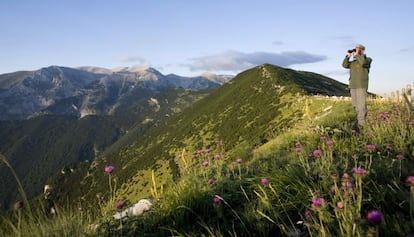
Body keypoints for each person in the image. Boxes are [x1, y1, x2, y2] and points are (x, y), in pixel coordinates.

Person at [342, 44, 372, 128]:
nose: (356, 51)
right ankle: (358, 123)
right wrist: (348, 56)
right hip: (353, 85)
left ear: (363, 50)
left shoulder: (368, 60)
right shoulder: (353, 63)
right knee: (355, 105)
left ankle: (362, 126)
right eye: (356, 50)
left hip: (361, 85)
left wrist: (358, 54)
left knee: (361, 106)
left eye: (358, 49)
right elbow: (344, 65)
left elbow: (363, 63)